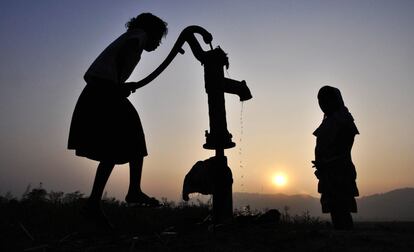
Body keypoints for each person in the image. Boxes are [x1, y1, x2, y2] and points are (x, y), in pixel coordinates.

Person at [68, 13, 168, 224]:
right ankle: (133, 191)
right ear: (151, 31)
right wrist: (119, 84)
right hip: (103, 90)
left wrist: (122, 83)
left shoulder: (132, 37)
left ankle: (94, 204)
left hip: (100, 90)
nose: (158, 44)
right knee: (133, 132)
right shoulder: (138, 35)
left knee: (112, 148)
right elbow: (128, 50)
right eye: (158, 38)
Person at [312, 86, 359, 230]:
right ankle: (342, 239)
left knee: (341, 209)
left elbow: (344, 148)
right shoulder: (329, 121)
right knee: (334, 208)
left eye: (326, 100)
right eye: (320, 100)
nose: (322, 104)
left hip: (340, 172)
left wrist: (328, 162)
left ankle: (346, 240)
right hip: (328, 173)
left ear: (335, 100)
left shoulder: (343, 120)